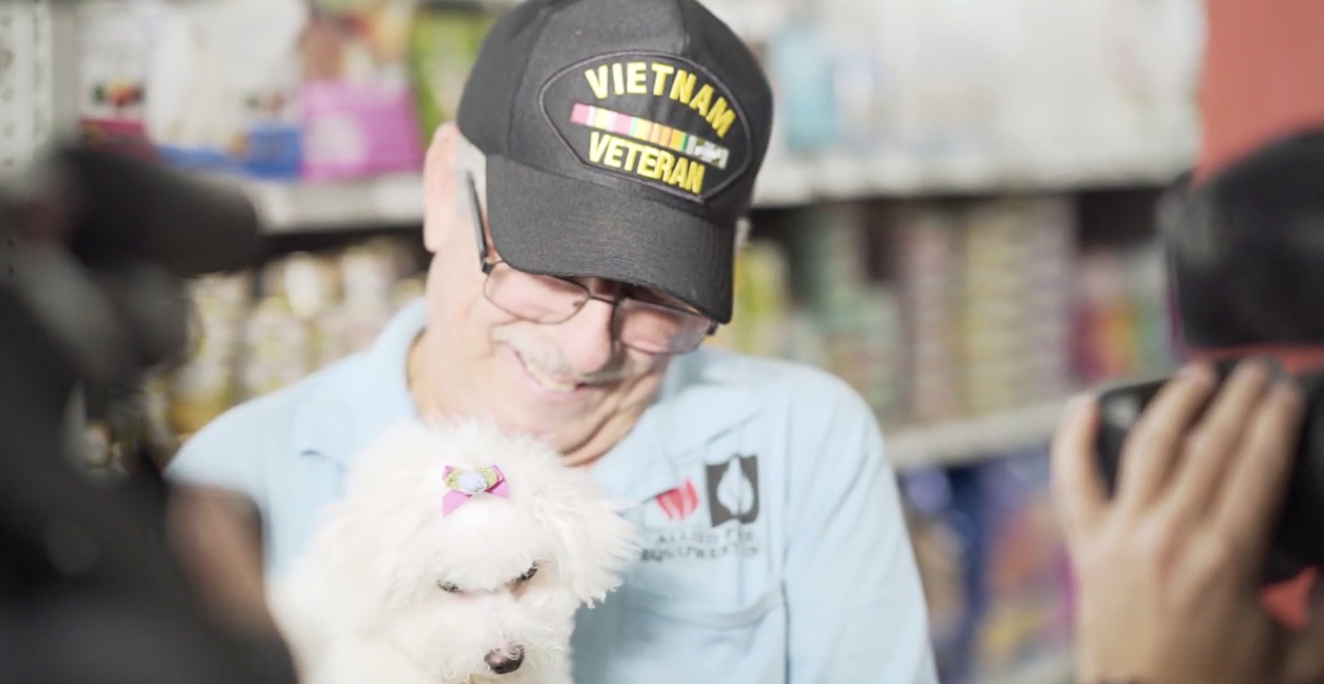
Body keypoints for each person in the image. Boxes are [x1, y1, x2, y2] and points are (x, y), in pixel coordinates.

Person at [164, 0, 938, 682]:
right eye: (551, 270)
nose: (590, 348)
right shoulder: (231, 480)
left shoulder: (805, 443)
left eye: (656, 296)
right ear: (442, 189)